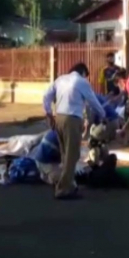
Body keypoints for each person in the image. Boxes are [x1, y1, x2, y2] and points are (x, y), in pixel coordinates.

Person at [43, 62, 105, 200]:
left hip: (58, 118)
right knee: (72, 155)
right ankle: (63, 189)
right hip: (72, 119)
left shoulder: (60, 79)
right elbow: (92, 100)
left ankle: (70, 184)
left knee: (65, 154)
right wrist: (103, 115)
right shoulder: (81, 81)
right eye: (86, 76)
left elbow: (46, 96)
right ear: (83, 72)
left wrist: (48, 114)